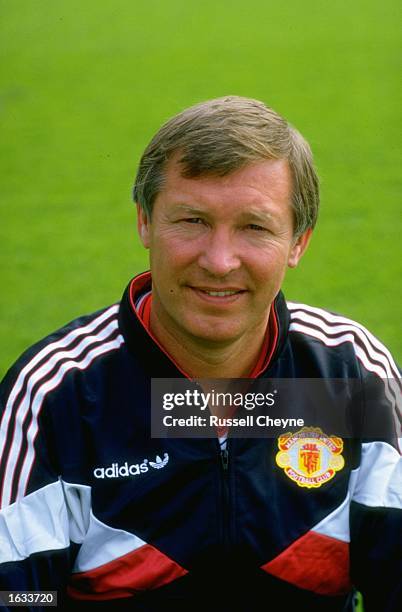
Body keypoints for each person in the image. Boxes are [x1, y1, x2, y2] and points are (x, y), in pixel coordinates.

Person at [0, 96, 400, 612]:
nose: (219, 261)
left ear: (298, 242)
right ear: (144, 222)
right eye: (191, 221)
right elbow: (16, 593)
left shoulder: (352, 375)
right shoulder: (57, 392)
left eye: (255, 227)